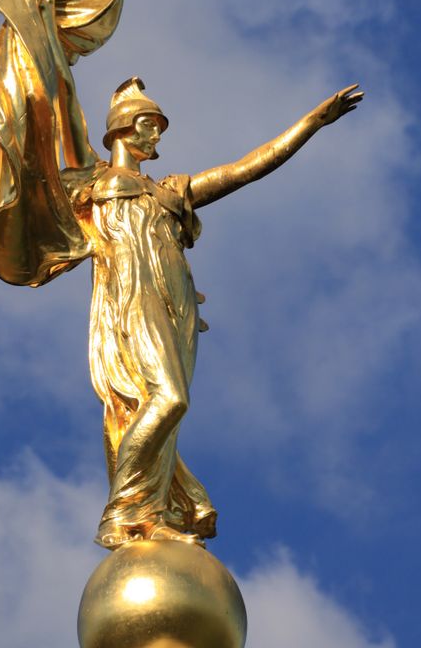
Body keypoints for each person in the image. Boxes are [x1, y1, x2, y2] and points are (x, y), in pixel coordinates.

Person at [63, 76, 363, 550]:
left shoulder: (170, 191)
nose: (157, 134)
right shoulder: (91, 188)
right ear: (122, 128)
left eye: (158, 126)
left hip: (175, 302)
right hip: (132, 298)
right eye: (148, 124)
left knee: (163, 410)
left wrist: (311, 124)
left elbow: (245, 169)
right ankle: (121, 513)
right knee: (167, 399)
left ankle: (151, 513)